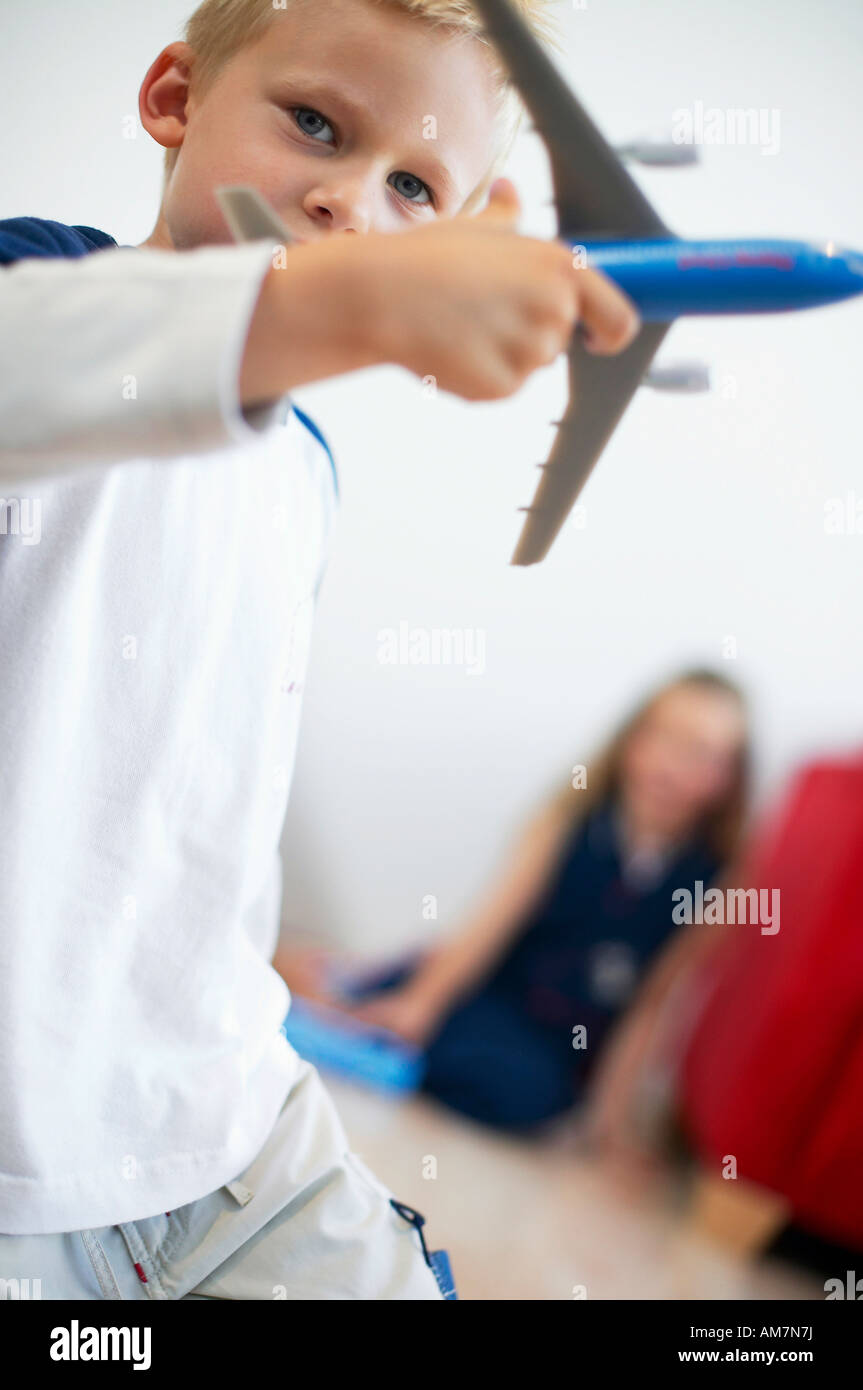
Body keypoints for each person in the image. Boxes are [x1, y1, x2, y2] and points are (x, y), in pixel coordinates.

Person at [0, 0, 638, 1300]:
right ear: (174, 101)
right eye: (314, 126)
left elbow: (197, 772)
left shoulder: (303, 474)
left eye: (412, 186)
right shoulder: (36, 296)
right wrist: (338, 301)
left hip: (224, 1105)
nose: (351, 201)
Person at [278, 670, 750, 1131]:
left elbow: (652, 1003)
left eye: (701, 753)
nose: (674, 763)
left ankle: (370, 1020)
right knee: (403, 1001)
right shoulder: (573, 822)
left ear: (728, 779)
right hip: (484, 990)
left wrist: (613, 1126)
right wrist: (422, 1003)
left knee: (524, 1096)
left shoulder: (712, 880)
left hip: (553, 1047)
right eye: (664, 737)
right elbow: (492, 923)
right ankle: (333, 982)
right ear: (633, 740)